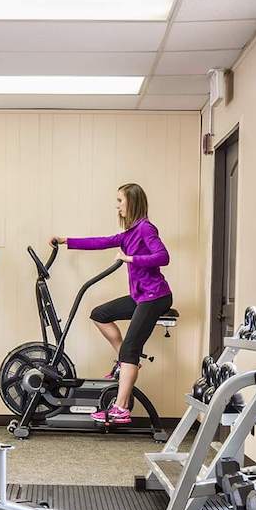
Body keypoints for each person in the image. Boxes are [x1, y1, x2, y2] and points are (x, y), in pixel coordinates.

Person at [50, 182, 173, 425]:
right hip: (140, 296)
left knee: (131, 350)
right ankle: (123, 361)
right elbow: (101, 241)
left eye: (120, 200)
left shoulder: (146, 228)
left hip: (155, 297)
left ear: (132, 201)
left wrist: (131, 258)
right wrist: (65, 240)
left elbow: (163, 257)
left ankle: (121, 409)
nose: (117, 205)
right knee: (100, 314)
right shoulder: (128, 233)